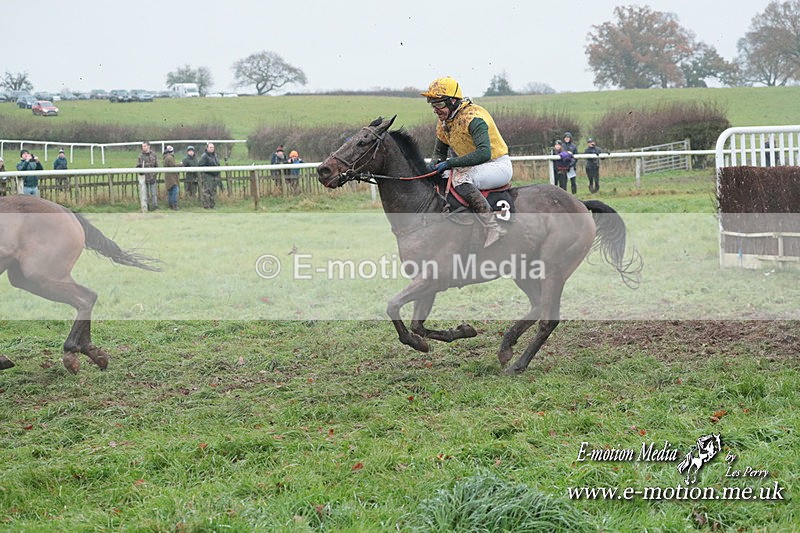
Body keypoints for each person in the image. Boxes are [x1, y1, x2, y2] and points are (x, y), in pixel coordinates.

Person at [420, 76, 511, 247]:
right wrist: (432, 166)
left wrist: (449, 163)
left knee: (460, 179)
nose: (436, 110)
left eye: (439, 104)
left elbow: (484, 153)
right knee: (439, 177)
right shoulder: (444, 122)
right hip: (473, 166)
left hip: (496, 165)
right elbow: (439, 152)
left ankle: (492, 226)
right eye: (433, 105)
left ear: (453, 101)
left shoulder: (473, 117)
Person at [135, 141, 159, 212]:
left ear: (148, 146)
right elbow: (137, 166)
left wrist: (154, 174)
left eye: (144, 146)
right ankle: (146, 207)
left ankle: (155, 207)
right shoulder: (140, 156)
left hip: (152, 177)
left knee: (154, 193)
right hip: (144, 178)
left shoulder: (154, 155)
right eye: (142, 146)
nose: (143, 147)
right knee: (145, 194)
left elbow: (157, 165)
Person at [198, 142, 220, 209]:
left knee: (213, 191)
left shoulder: (215, 155)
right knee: (207, 190)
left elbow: (217, 164)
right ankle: (206, 205)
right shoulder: (204, 156)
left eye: (213, 147)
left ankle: (212, 205)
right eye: (210, 147)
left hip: (214, 175)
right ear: (207, 148)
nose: (212, 149)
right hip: (208, 175)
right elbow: (200, 165)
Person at [163, 145, 180, 210]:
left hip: (168, 177)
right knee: (175, 190)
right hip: (172, 177)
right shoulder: (170, 158)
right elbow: (173, 166)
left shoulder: (165, 157)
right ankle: (174, 205)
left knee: (170, 192)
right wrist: (180, 164)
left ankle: (170, 205)